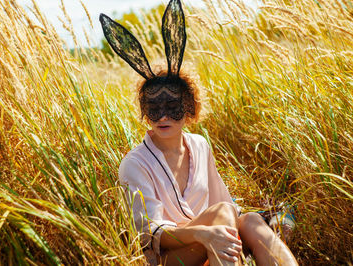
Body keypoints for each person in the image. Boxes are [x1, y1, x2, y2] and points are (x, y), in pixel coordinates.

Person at [100, 1, 299, 265]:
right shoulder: (134, 164)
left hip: (214, 244)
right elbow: (151, 234)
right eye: (153, 107)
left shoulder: (200, 146)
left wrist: (264, 219)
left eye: (172, 106)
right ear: (144, 110)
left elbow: (225, 204)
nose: (163, 116)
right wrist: (204, 234)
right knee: (222, 216)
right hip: (168, 258)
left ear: (190, 106)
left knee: (249, 220)